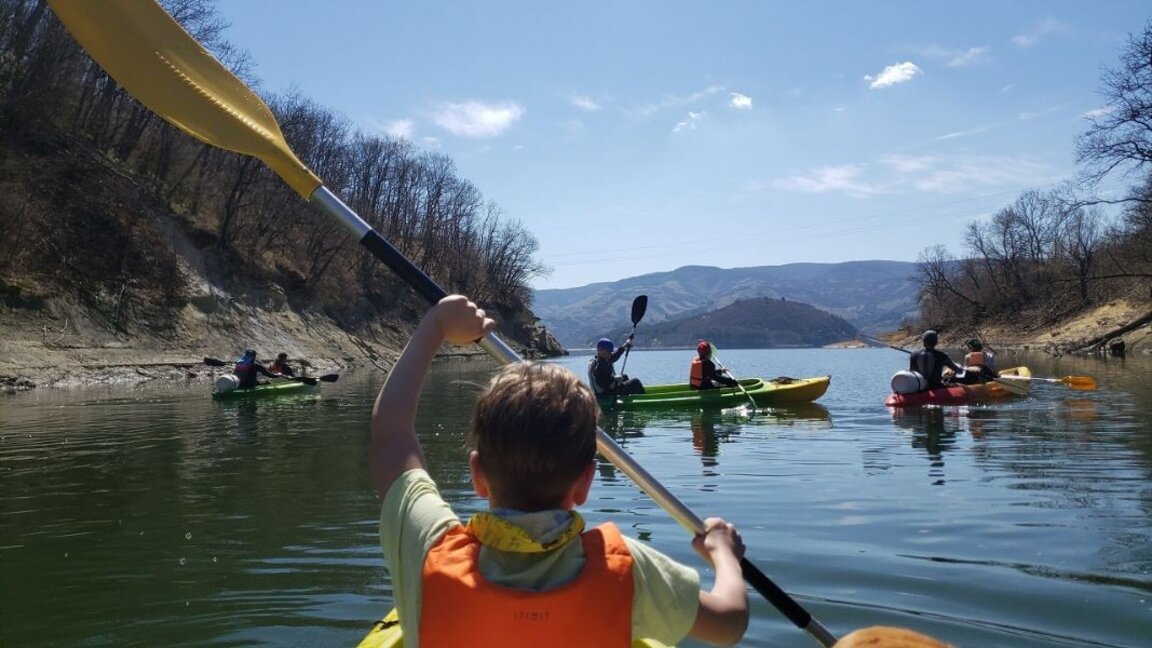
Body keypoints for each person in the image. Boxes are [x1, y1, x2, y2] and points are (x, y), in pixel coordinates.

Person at [370, 295, 749, 646]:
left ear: (477, 474)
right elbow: (729, 622)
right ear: (586, 480)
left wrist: (435, 324)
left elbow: (391, 431)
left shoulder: (429, 547)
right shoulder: (627, 569)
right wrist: (723, 553)